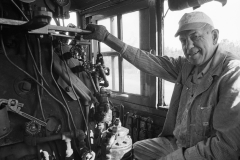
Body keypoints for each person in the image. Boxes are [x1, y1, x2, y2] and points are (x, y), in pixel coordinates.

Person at [83, 11, 240, 160]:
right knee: (130, 151)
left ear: (214, 36)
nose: (189, 47)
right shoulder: (186, 66)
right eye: (183, 41)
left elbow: (225, 148)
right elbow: (147, 61)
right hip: (175, 143)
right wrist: (106, 37)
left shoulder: (232, 75)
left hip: (200, 152)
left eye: (195, 37)